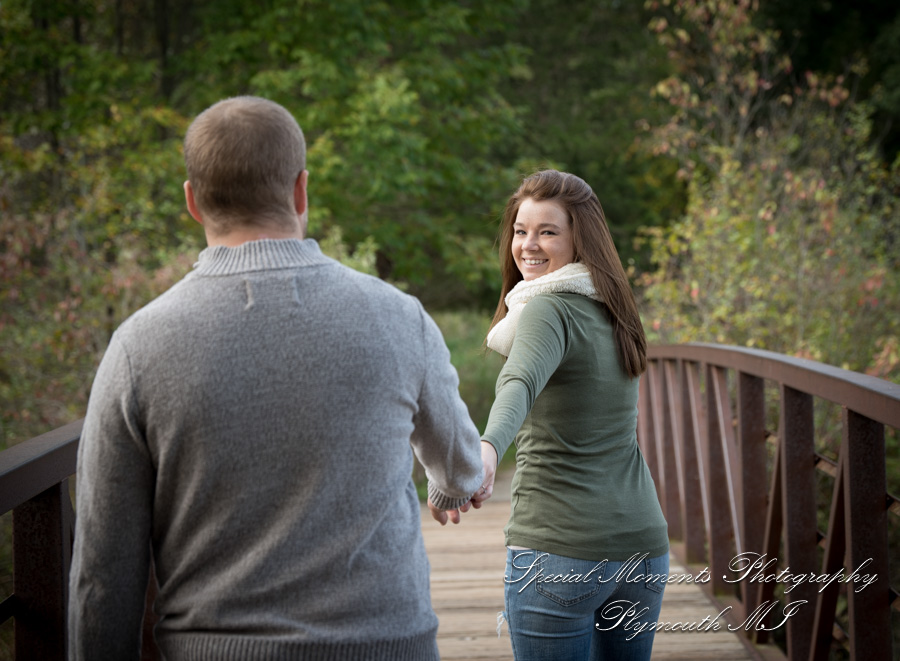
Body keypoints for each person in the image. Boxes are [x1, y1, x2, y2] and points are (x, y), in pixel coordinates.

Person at [68, 96, 485, 661]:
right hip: (386, 646)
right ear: (301, 191)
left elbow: (103, 572)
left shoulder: (138, 347)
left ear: (193, 202)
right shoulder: (398, 317)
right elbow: (460, 471)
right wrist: (456, 479)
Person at [472, 170, 669, 660]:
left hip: (559, 551)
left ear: (580, 236)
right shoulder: (614, 308)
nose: (528, 245)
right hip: (642, 550)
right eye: (521, 231)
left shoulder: (546, 309)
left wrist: (488, 447)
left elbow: (518, 382)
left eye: (548, 231)